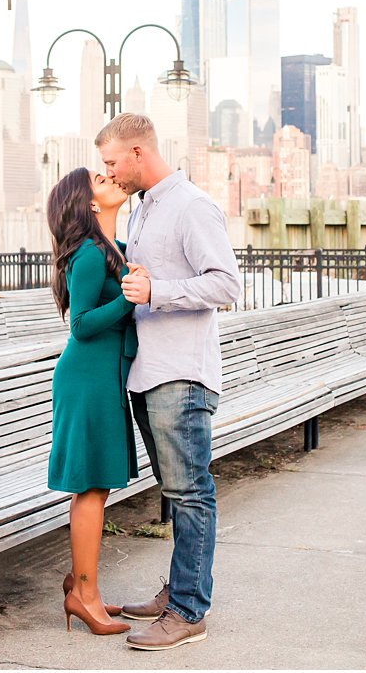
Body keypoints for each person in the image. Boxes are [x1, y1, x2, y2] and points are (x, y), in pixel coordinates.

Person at [96, 112, 241, 652]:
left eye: (113, 162)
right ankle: (179, 591)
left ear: (138, 153)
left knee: (190, 493)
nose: (108, 172)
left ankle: (187, 610)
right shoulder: (143, 211)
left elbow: (226, 284)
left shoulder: (191, 206)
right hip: (150, 372)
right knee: (176, 493)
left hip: (181, 374)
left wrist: (158, 292)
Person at [45, 166, 140, 635]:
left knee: (98, 487)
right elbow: (80, 324)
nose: (111, 180)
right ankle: (85, 596)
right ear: (89, 203)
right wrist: (129, 298)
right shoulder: (86, 254)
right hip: (86, 380)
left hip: (105, 378)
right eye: (100, 180)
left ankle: (84, 589)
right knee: (91, 489)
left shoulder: (114, 250)